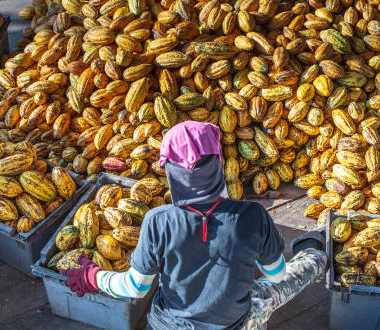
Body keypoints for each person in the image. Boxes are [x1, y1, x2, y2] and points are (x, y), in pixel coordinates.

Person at [60, 121, 327, 329]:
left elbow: (135, 288)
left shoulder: (158, 221)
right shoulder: (252, 217)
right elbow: (276, 274)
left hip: (167, 326)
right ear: (219, 165)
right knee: (292, 274)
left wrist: (93, 276)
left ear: (172, 173)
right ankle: (315, 249)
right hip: (234, 324)